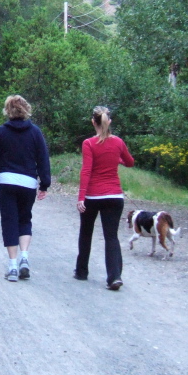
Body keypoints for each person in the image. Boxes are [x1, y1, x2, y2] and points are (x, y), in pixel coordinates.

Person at [0, 95, 51, 282]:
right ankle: (25, 259)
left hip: (6, 182)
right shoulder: (35, 132)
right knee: (24, 218)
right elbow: (43, 159)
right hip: (28, 183)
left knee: (9, 221)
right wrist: (44, 184)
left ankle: (12, 266)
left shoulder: (1, 132)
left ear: (8, 110)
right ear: (26, 109)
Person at [74, 105, 135, 291]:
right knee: (111, 236)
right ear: (109, 121)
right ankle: (114, 276)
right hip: (114, 195)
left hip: (93, 195)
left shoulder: (89, 143)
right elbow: (130, 162)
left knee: (86, 232)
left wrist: (81, 197)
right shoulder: (118, 142)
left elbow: (87, 170)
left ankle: (82, 271)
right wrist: (118, 159)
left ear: (94, 122)